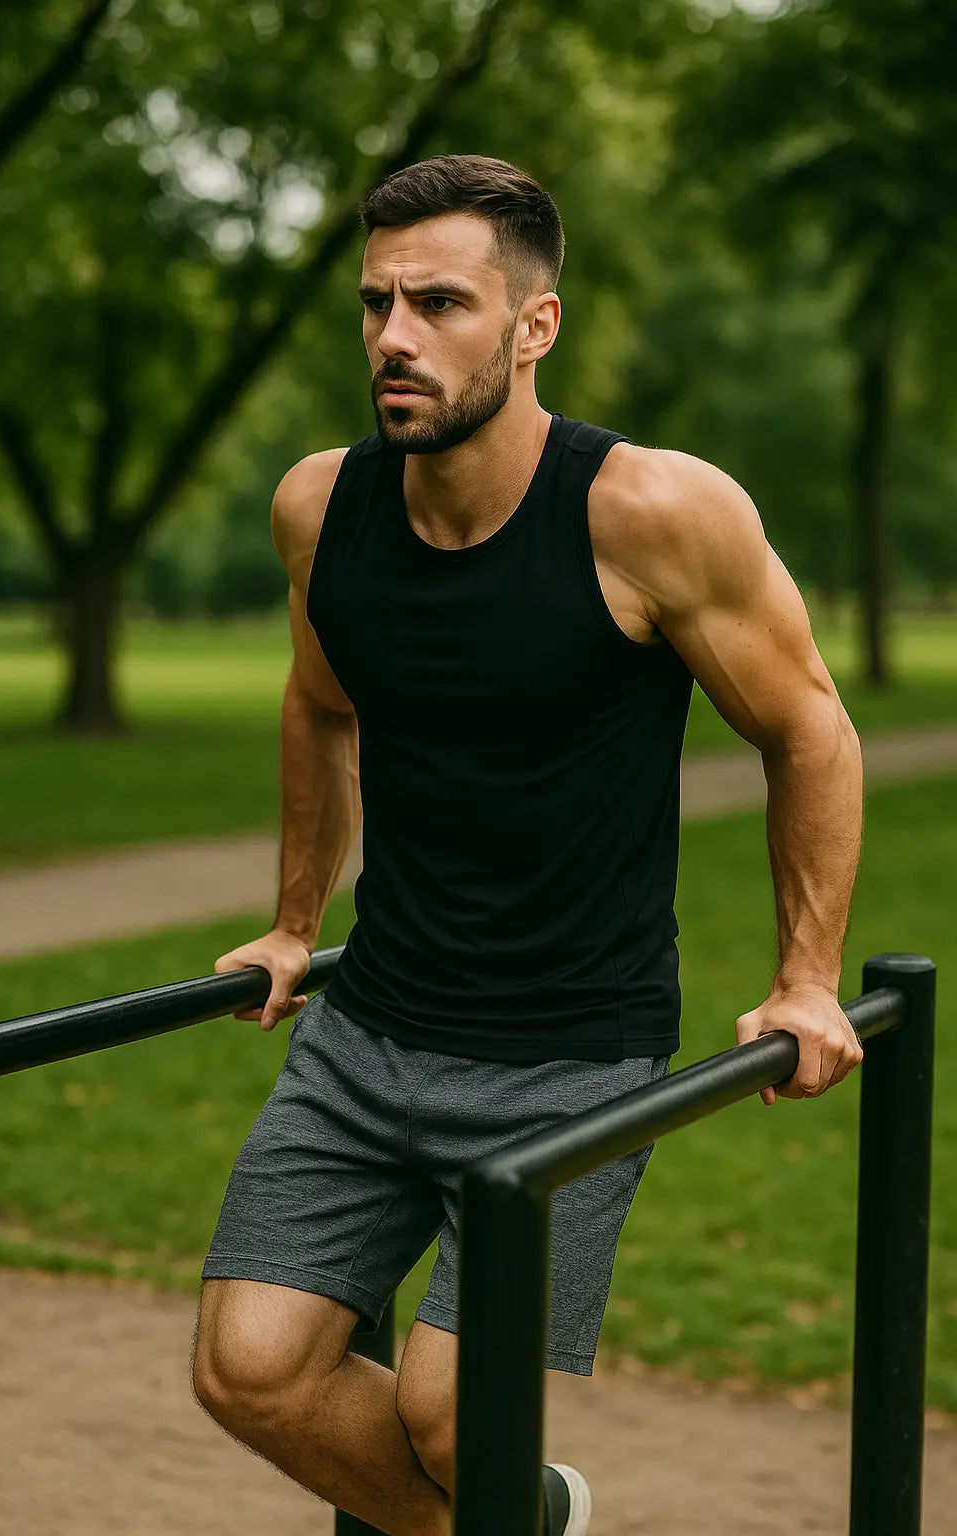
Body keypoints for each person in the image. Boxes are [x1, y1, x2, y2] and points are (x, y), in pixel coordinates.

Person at [190, 154, 864, 1536]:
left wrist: (808, 977)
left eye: (438, 303)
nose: (393, 337)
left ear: (533, 326)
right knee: (247, 1373)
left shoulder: (650, 514)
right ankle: (518, 1520)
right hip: (371, 1032)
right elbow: (321, 708)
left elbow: (810, 727)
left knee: (447, 1413)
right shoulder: (323, 507)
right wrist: (291, 917)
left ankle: (494, 1493)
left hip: (570, 1056)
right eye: (377, 303)